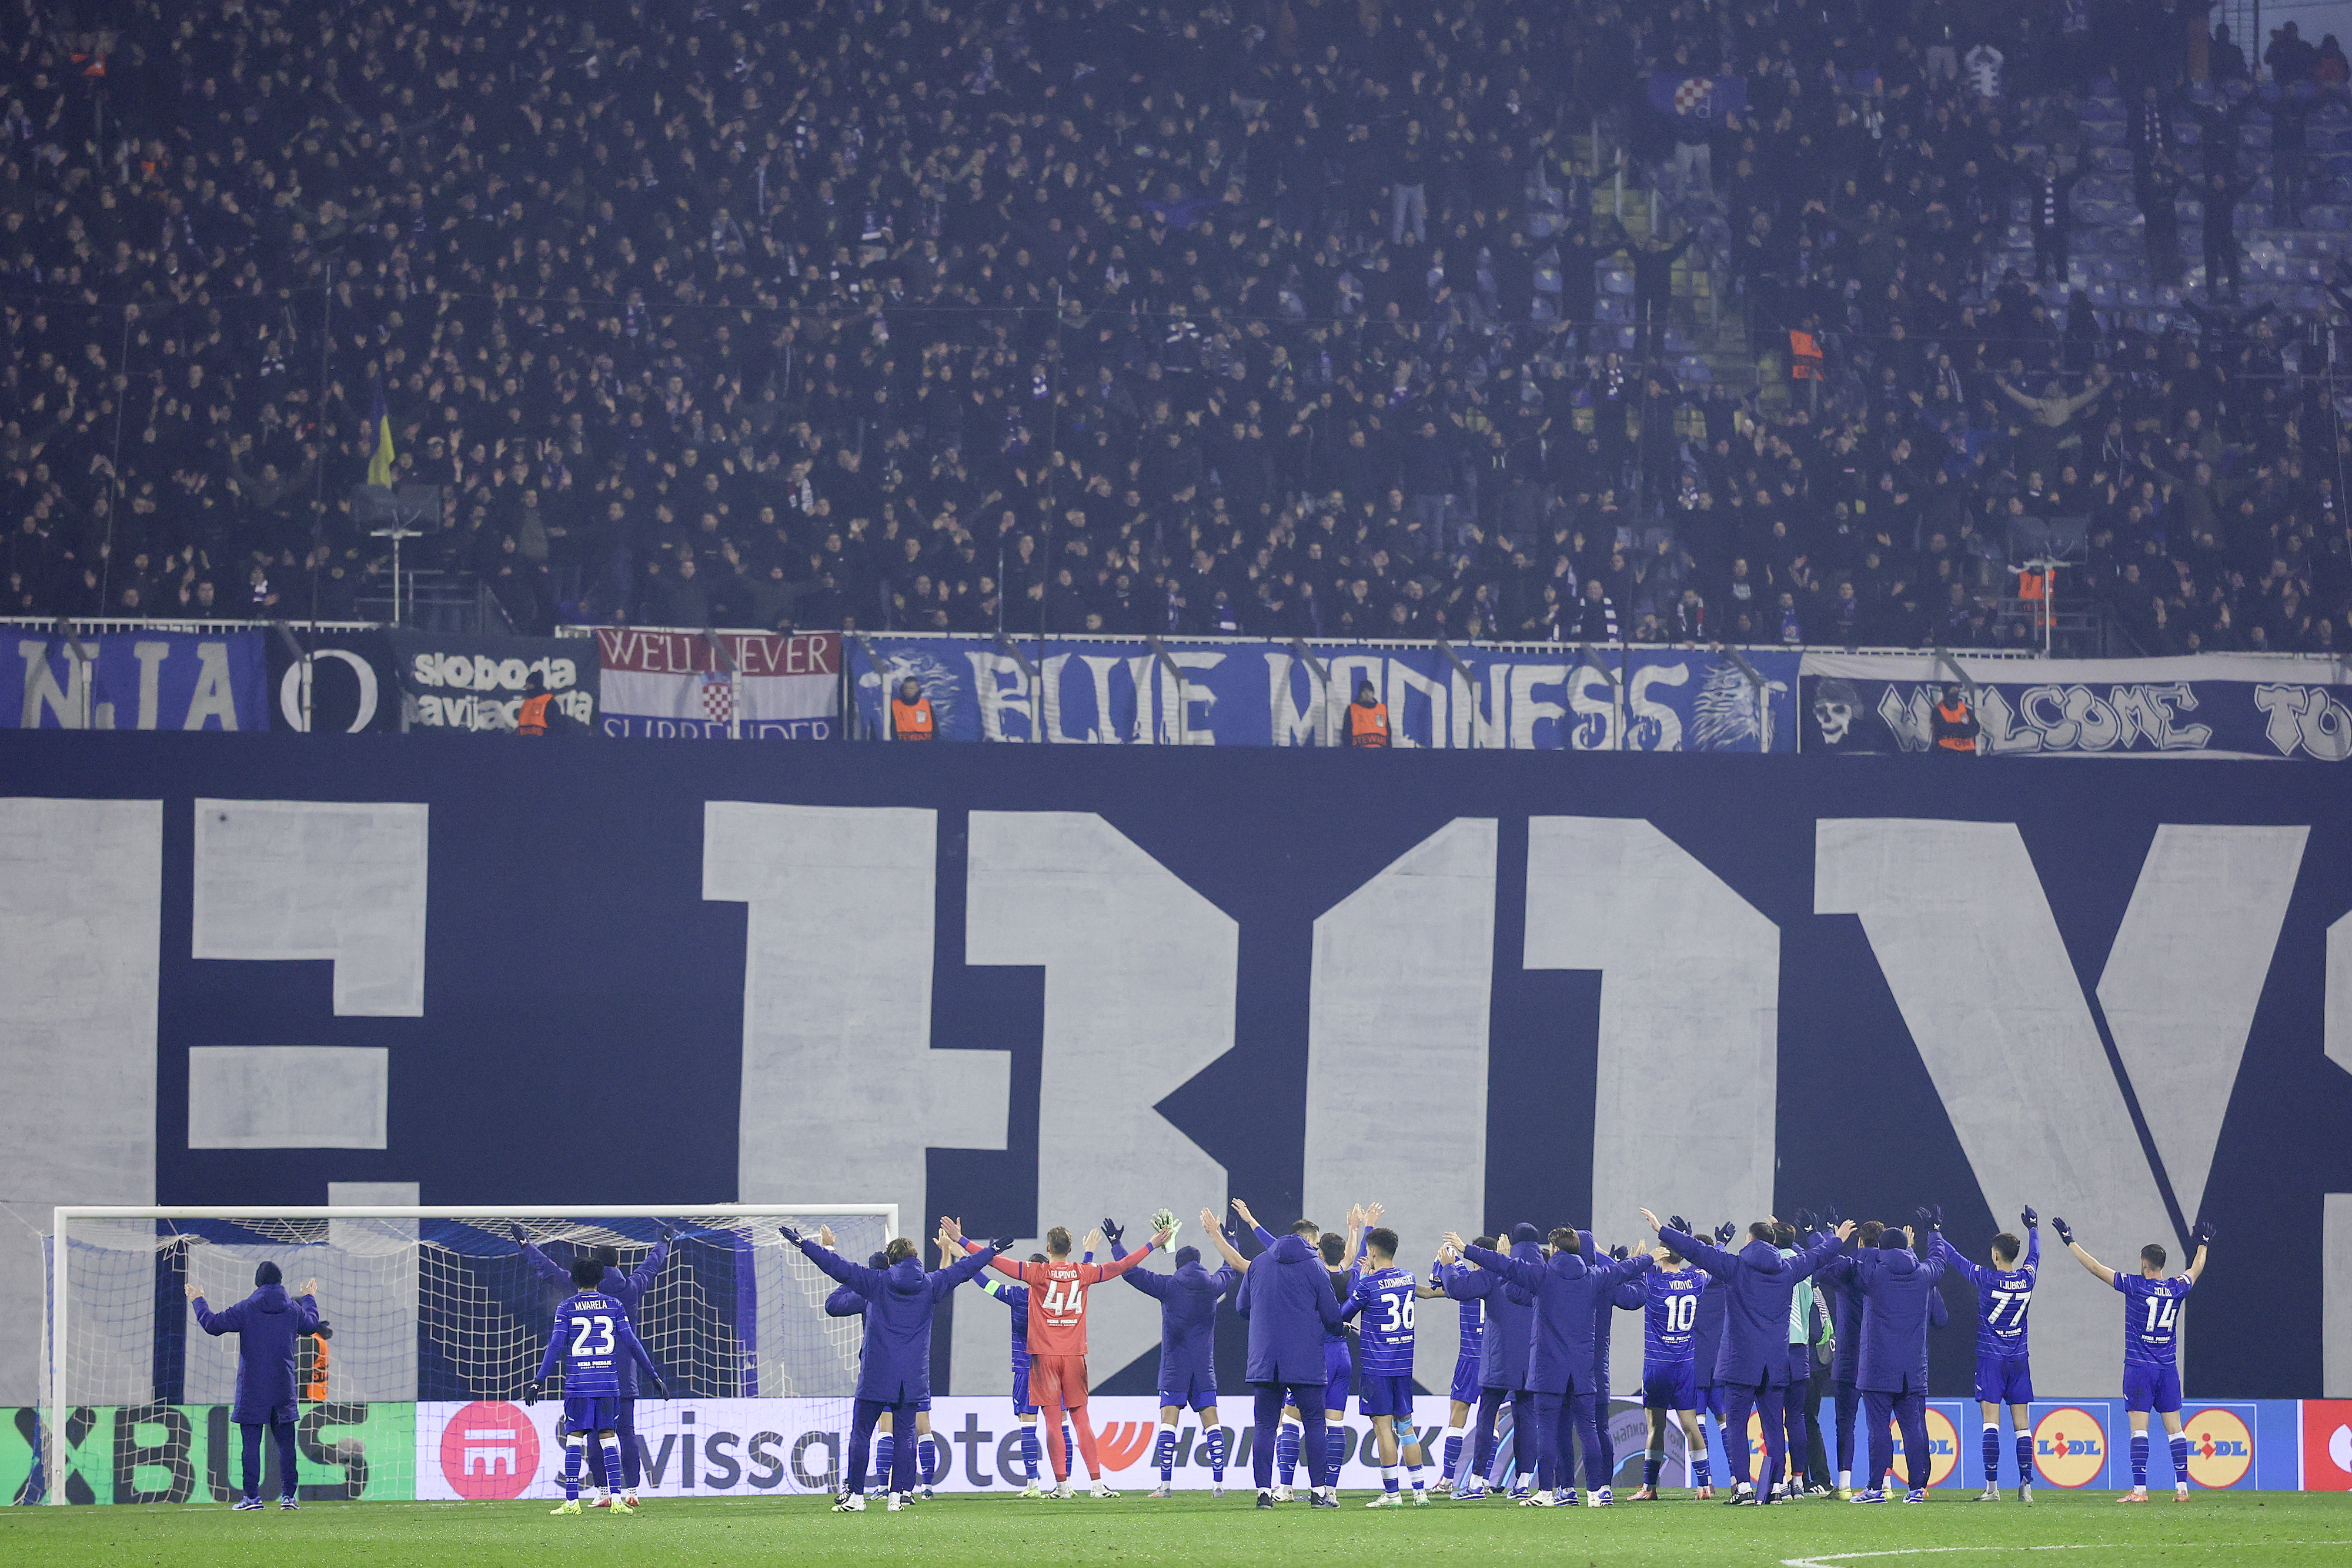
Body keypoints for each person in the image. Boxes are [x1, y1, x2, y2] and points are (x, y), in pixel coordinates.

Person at [786, 1221, 1008, 1512]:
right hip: (912, 1377)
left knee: (862, 1433)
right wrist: (991, 1251)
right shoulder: (930, 1284)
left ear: (891, 1261)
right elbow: (964, 1269)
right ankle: (897, 1496)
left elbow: (837, 1267)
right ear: (915, 1258)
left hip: (877, 1372)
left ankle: (856, 1497)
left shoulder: (876, 1282)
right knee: (906, 1435)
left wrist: (805, 1245)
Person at [957, 1213, 1173, 1498]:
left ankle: (1061, 1486)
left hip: (1044, 1358)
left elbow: (994, 1262)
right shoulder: (1084, 1273)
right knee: (1081, 1420)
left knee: (1052, 1422)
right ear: (1070, 1249)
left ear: (1048, 1248)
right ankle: (1097, 1485)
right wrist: (1152, 1244)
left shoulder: (1037, 1273)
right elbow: (1123, 1265)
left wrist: (961, 1241)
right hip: (1074, 1356)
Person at [1645, 1210, 1840, 1505]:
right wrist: (1837, 1239)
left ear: (1749, 1240)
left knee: (1736, 1425)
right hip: (1776, 1364)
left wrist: (1662, 1230)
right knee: (1774, 1427)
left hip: (1741, 1363)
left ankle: (1744, 1488)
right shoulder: (1788, 1269)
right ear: (1772, 1243)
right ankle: (1775, 1487)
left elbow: (1698, 1251)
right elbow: (1818, 1256)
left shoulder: (1735, 1267)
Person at [1446, 1226, 1651, 1507]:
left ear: (1555, 1249)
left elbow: (1507, 1275)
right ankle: (1598, 1492)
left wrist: (1467, 1250)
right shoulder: (1596, 1278)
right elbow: (1628, 1278)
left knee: (1551, 1433)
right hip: (1586, 1371)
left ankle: (1552, 1491)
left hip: (1549, 1370)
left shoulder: (1544, 1276)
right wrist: (1646, 1260)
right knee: (1592, 1430)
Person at [512, 1221, 673, 1508]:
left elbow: (547, 1268)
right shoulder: (631, 1287)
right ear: (618, 1263)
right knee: (625, 1433)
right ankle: (632, 1491)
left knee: (593, 1435)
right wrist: (664, 1242)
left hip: (585, 1375)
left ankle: (602, 1492)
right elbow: (652, 1265)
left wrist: (526, 1246)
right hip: (621, 1376)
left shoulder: (572, 1295)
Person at [2053, 1213, 2213, 1502]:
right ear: (2162, 1265)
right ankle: (2182, 1489)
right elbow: (2196, 1268)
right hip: (2167, 1369)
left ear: (2144, 1264)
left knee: (2139, 1431)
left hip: (2140, 1369)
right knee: (2176, 1430)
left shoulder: (2135, 1285)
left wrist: (2069, 1241)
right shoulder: (2177, 1287)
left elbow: (2095, 1268)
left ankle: (2140, 1490)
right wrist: (2203, 1243)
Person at [1212, 1199, 1347, 1509]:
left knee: (1264, 1426)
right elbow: (1331, 1316)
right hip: (1306, 1358)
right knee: (1315, 1424)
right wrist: (1337, 1328)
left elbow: (1242, 1307)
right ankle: (1318, 1493)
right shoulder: (1315, 1266)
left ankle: (1263, 1493)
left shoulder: (1259, 1263)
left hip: (1266, 1358)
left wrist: (1268, 1318)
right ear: (1309, 1241)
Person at [1107, 1211, 1237, 1497]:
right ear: (1199, 1263)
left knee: (1169, 1423)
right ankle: (1218, 1485)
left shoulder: (1168, 1286)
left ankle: (1165, 1486)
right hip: (1203, 1367)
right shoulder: (1213, 1286)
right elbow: (1231, 1267)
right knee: (1212, 1422)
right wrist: (1231, 1239)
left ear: (1178, 1265)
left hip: (1175, 1366)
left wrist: (1117, 1244)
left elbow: (1130, 1272)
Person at [1830, 1212, 1949, 1503]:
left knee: (1878, 1430)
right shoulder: (1923, 1274)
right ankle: (1917, 1489)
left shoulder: (1872, 1275)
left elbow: (1835, 1266)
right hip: (1913, 1371)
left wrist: (1835, 1239)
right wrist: (1934, 1231)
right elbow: (1939, 1259)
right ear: (1907, 1247)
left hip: (1877, 1369)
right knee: (1914, 1431)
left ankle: (1876, 1489)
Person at [188, 1262, 321, 1510]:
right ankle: (288, 1497)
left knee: (251, 1445)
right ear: (280, 1281)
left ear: (257, 1282)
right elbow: (312, 1324)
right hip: (283, 1384)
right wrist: (309, 1297)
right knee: (286, 1445)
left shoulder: (247, 1308)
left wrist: (198, 1301)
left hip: (252, 1386)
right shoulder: (293, 1308)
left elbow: (212, 1325)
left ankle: (252, 1498)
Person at [834, 1230, 954, 1500]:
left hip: (881, 1366)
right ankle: (913, 1490)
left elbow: (834, 1304)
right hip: (914, 1366)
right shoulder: (923, 1286)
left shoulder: (874, 1289)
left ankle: (880, 1488)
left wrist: (851, 1277)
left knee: (883, 1427)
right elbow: (945, 1277)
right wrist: (946, 1252)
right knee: (918, 1427)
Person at [1934, 1206, 2042, 1502]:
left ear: (1995, 1255)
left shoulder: (1985, 1278)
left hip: (1991, 1360)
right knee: (2023, 1425)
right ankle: (2026, 1487)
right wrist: (2034, 1228)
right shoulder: (2027, 1278)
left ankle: (1992, 1488)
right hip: (2019, 1361)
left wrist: (1936, 1233)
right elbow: (2035, 1256)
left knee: (1991, 1422)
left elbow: (1954, 1258)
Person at [1341, 1225, 1445, 1506]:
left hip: (1377, 1368)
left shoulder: (1369, 1285)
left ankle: (1392, 1494)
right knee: (1406, 1426)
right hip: (1403, 1366)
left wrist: (1362, 1279)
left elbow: (1343, 1315)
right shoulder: (1408, 1278)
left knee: (1383, 1428)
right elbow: (1424, 1292)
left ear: (1372, 1252)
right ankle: (1420, 1492)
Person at [962, 1245, 1070, 1496]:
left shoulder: (1018, 1296)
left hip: (1026, 1369)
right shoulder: (1062, 1300)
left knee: (1028, 1426)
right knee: (1061, 1426)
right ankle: (1065, 1484)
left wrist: (965, 1259)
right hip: (1056, 1370)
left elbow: (988, 1285)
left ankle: (1032, 1484)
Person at [1442, 1228, 1539, 1500]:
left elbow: (1457, 1289)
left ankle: (1476, 1483)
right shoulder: (1542, 1273)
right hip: (1532, 1359)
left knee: (1486, 1416)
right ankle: (1523, 1483)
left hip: (1499, 1358)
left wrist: (1448, 1267)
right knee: (1527, 1420)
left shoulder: (1495, 1272)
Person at [1626, 1219, 1715, 1500]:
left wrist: (1638, 1259)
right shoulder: (1696, 1280)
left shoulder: (1652, 1280)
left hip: (1657, 1365)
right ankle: (1705, 1485)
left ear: (1662, 1253)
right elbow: (1710, 1262)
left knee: (1656, 1427)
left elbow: (1629, 1276)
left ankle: (1649, 1488)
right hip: (1685, 1365)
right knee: (1690, 1425)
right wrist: (1689, 1241)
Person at [1428, 1237, 1485, 1494]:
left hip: (1470, 1359)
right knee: (1492, 1418)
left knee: (1457, 1416)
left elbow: (1435, 1289)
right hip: (1495, 1358)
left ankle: (1448, 1479)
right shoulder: (1502, 1282)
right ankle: (1483, 1480)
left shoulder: (1464, 1281)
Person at [1932, 682, 1980, 755]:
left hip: (1968, 749)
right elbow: (1944, 729)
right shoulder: (1938, 711)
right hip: (1947, 750)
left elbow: (1975, 729)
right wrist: (1964, 728)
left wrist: (1957, 729)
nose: (1955, 695)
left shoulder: (1965, 709)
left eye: (1957, 692)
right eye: (1952, 692)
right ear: (1946, 694)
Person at [1347, 679, 1391, 747]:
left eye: (1369, 691)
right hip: (1359, 750)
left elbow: (1388, 732)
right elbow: (1346, 733)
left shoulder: (1381, 709)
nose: (1367, 694)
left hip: (1380, 750)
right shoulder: (1353, 709)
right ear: (1360, 694)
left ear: (1373, 693)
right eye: (1364, 691)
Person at [890, 676, 935, 740]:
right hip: (902, 743)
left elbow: (935, 727)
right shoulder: (895, 705)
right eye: (906, 688)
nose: (908, 691)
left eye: (911, 688)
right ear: (902, 689)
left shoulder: (926, 704)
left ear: (917, 689)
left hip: (925, 743)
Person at [516, 671, 557, 735]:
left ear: (535, 685)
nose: (527, 687)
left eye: (529, 684)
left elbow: (555, 724)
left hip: (542, 739)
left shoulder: (548, 700)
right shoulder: (527, 702)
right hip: (525, 739)